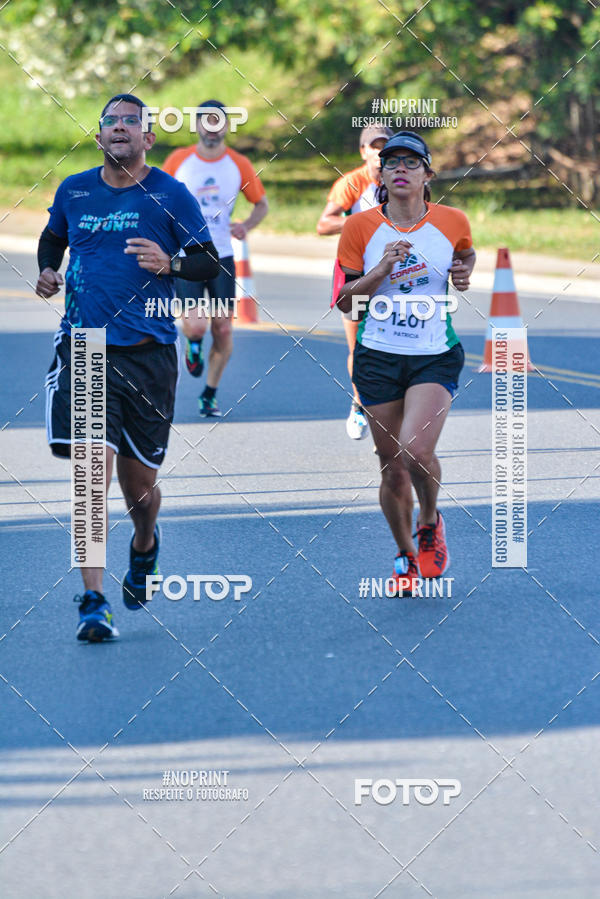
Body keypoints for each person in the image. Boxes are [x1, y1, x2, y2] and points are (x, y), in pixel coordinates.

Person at [37, 93, 219, 641]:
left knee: (139, 490)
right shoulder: (74, 190)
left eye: (130, 122)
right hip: (87, 346)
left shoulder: (169, 194)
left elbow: (209, 262)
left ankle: (145, 544)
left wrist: (171, 263)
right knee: (92, 477)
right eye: (110, 122)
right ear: (98, 138)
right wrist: (48, 270)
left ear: (148, 137)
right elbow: (52, 239)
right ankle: (93, 599)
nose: (119, 128)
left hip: (148, 355)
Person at [335, 131, 476, 594]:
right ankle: (404, 557)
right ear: (380, 173)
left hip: (434, 354)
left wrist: (464, 271)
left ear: (427, 175)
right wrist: (380, 271)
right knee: (391, 464)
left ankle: (430, 521)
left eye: (410, 162)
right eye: (391, 161)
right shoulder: (359, 228)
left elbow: (465, 252)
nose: (399, 168)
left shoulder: (452, 220)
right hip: (377, 356)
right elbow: (346, 305)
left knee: (415, 452)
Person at [162, 99, 268, 417]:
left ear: (226, 126)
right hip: (188, 255)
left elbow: (261, 204)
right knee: (195, 326)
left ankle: (209, 393)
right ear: (196, 126)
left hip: (222, 257)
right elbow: (153, 196)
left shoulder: (238, 164)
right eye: (205, 122)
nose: (211, 129)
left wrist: (245, 225)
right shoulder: (179, 160)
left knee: (222, 328)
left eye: (217, 122)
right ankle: (193, 345)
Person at [317, 124, 393, 440]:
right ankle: (359, 404)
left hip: (392, 273)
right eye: (373, 147)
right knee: (359, 346)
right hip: (356, 273)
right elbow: (323, 224)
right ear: (364, 152)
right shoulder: (351, 183)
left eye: (385, 147)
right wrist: (360, 222)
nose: (379, 153)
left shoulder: (402, 181)